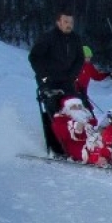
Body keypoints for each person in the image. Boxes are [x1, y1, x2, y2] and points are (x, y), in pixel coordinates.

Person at [28, 12, 83, 157]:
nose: (68, 25)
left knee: (75, 108)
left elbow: (80, 59)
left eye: (71, 22)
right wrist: (44, 76)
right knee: (54, 111)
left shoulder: (75, 39)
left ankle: (79, 143)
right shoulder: (48, 38)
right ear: (58, 22)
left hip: (67, 80)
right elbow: (34, 57)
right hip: (49, 80)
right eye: (65, 22)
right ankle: (58, 147)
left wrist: (73, 75)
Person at [50, 96, 110, 166]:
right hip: (75, 146)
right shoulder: (61, 121)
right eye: (74, 107)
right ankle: (99, 159)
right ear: (67, 109)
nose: (78, 109)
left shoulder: (89, 120)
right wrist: (76, 128)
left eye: (79, 106)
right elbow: (63, 134)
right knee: (90, 152)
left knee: (106, 146)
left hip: (92, 142)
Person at [75, 45, 112, 113]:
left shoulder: (89, 66)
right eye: (87, 57)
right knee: (81, 110)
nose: (89, 59)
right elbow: (70, 79)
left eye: (90, 57)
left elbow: (96, 76)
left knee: (88, 110)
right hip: (75, 93)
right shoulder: (75, 66)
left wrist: (108, 74)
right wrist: (77, 89)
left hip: (83, 92)